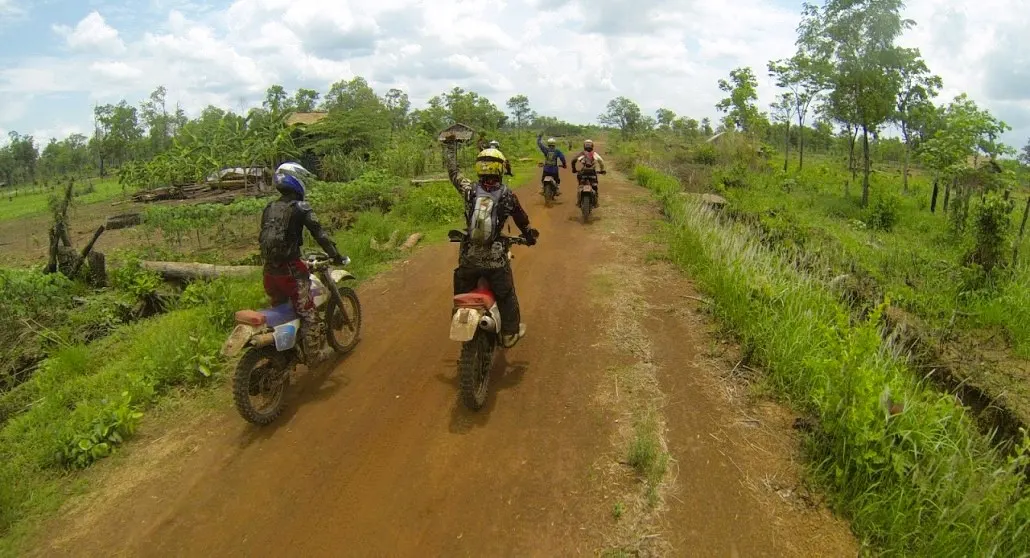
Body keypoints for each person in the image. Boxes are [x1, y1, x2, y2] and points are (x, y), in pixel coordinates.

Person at [445, 144, 538, 348]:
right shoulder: (507, 195)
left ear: (479, 167)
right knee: (506, 294)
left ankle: (458, 317)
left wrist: (449, 148)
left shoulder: (469, 189)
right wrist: (530, 236)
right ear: (500, 168)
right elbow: (522, 220)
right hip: (495, 262)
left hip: (469, 258)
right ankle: (509, 333)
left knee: (460, 290)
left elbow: (453, 172)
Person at [258, 162, 346, 362]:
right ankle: (314, 355)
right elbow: (320, 234)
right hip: (291, 272)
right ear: (296, 180)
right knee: (309, 313)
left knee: (283, 310)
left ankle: (284, 354)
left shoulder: (269, 207)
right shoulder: (301, 207)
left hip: (269, 272)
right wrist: (336, 255)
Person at [571, 139, 607, 207]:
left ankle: (579, 201)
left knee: (580, 186)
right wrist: (602, 170)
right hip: (592, 173)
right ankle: (595, 202)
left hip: (583, 174)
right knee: (595, 186)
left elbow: (573, 161)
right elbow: (601, 162)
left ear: (584, 146)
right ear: (592, 146)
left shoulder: (582, 153)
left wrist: (574, 169)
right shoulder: (594, 154)